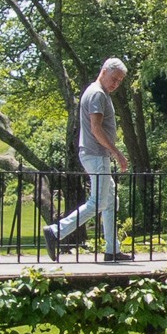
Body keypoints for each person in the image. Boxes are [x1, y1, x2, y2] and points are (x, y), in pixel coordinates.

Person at [45, 58, 133, 262]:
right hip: (96, 155)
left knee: (110, 201)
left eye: (119, 81)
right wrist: (116, 153)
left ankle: (112, 250)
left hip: (95, 154)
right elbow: (96, 128)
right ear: (103, 72)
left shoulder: (98, 92)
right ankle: (56, 232)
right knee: (98, 203)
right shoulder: (97, 94)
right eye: (114, 79)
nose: (116, 84)